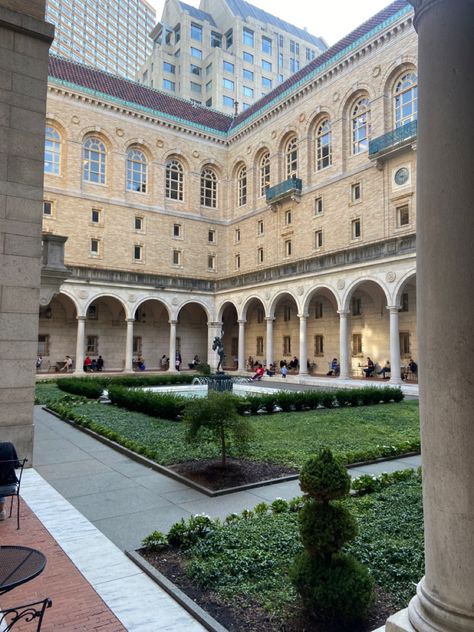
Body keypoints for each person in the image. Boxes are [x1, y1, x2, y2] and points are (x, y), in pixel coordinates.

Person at [0, 442, 20, 521]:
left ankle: (1, 512)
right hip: (11, 487)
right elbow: (17, 465)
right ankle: (1, 512)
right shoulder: (9, 446)